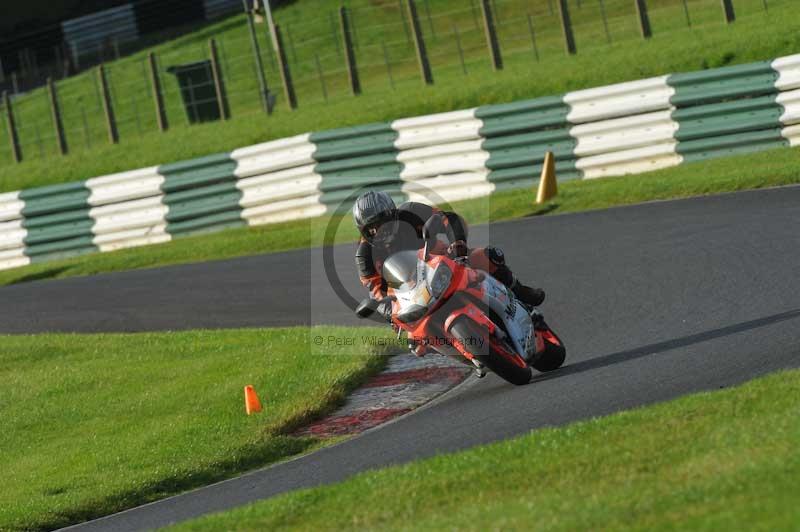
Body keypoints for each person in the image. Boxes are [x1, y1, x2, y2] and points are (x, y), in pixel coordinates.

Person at [353, 190, 545, 326]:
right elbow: (377, 291)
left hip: (446, 262)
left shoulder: (411, 212)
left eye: (384, 223)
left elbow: (449, 219)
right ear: (363, 232)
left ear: (393, 214)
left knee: (486, 257)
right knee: (416, 343)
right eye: (372, 229)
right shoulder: (364, 255)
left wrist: (458, 244)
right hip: (413, 294)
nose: (380, 232)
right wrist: (387, 310)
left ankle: (521, 296)